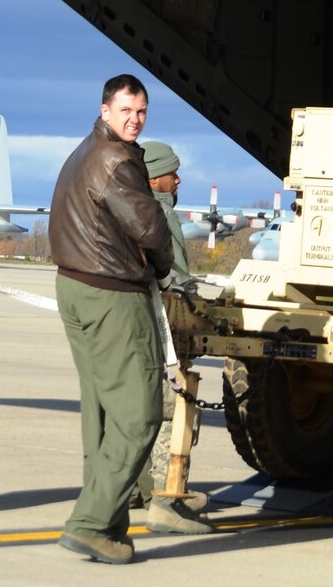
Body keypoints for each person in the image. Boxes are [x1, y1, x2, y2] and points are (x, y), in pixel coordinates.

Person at [49, 74, 173, 564]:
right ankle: (90, 522)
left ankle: (110, 527)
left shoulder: (83, 151)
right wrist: (161, 267)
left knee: (101, 410)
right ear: (105, 110)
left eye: (141, 112)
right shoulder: (117, 159)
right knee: (141, 413)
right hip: (111, 294)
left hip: (74, 287)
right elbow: (149, 226)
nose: (134, 120)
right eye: (126, 111)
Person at [133, 140, 217, 538]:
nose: (179, 178)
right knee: (173, 408)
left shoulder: (123, 204)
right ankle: (167, 499)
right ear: (154, 178)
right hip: (164, 327)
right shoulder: (160, 212)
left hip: (130, 326)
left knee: (132, 408)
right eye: (173, 172)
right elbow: (175, 279)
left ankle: (136, 490)